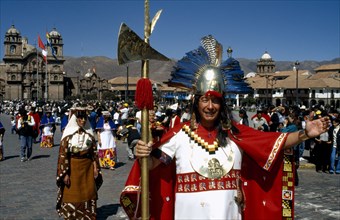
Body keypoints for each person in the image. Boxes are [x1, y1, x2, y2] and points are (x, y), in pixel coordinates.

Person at [120, 36, 330, 220]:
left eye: (216, 101)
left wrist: (305, 133)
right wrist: (143, 155)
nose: (210, 106)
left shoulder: (237, 134)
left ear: (222, 105)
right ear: (196, 102)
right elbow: (154, 164)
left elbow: (275, 142)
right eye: (204, 100)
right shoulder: (180, 135)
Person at [56, 105, 102, 219]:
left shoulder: (89, 134)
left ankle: (88, 215)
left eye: (84, 118)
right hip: (72, 167)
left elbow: (93, 153)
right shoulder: (68, 135)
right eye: (80, 118)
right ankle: (72, 215)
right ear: (75, 119)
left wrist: (95, 167)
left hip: (87, 167)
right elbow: (63, 154)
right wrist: (64, 173)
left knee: (89, 191)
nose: (82, 120)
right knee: (72, 192)